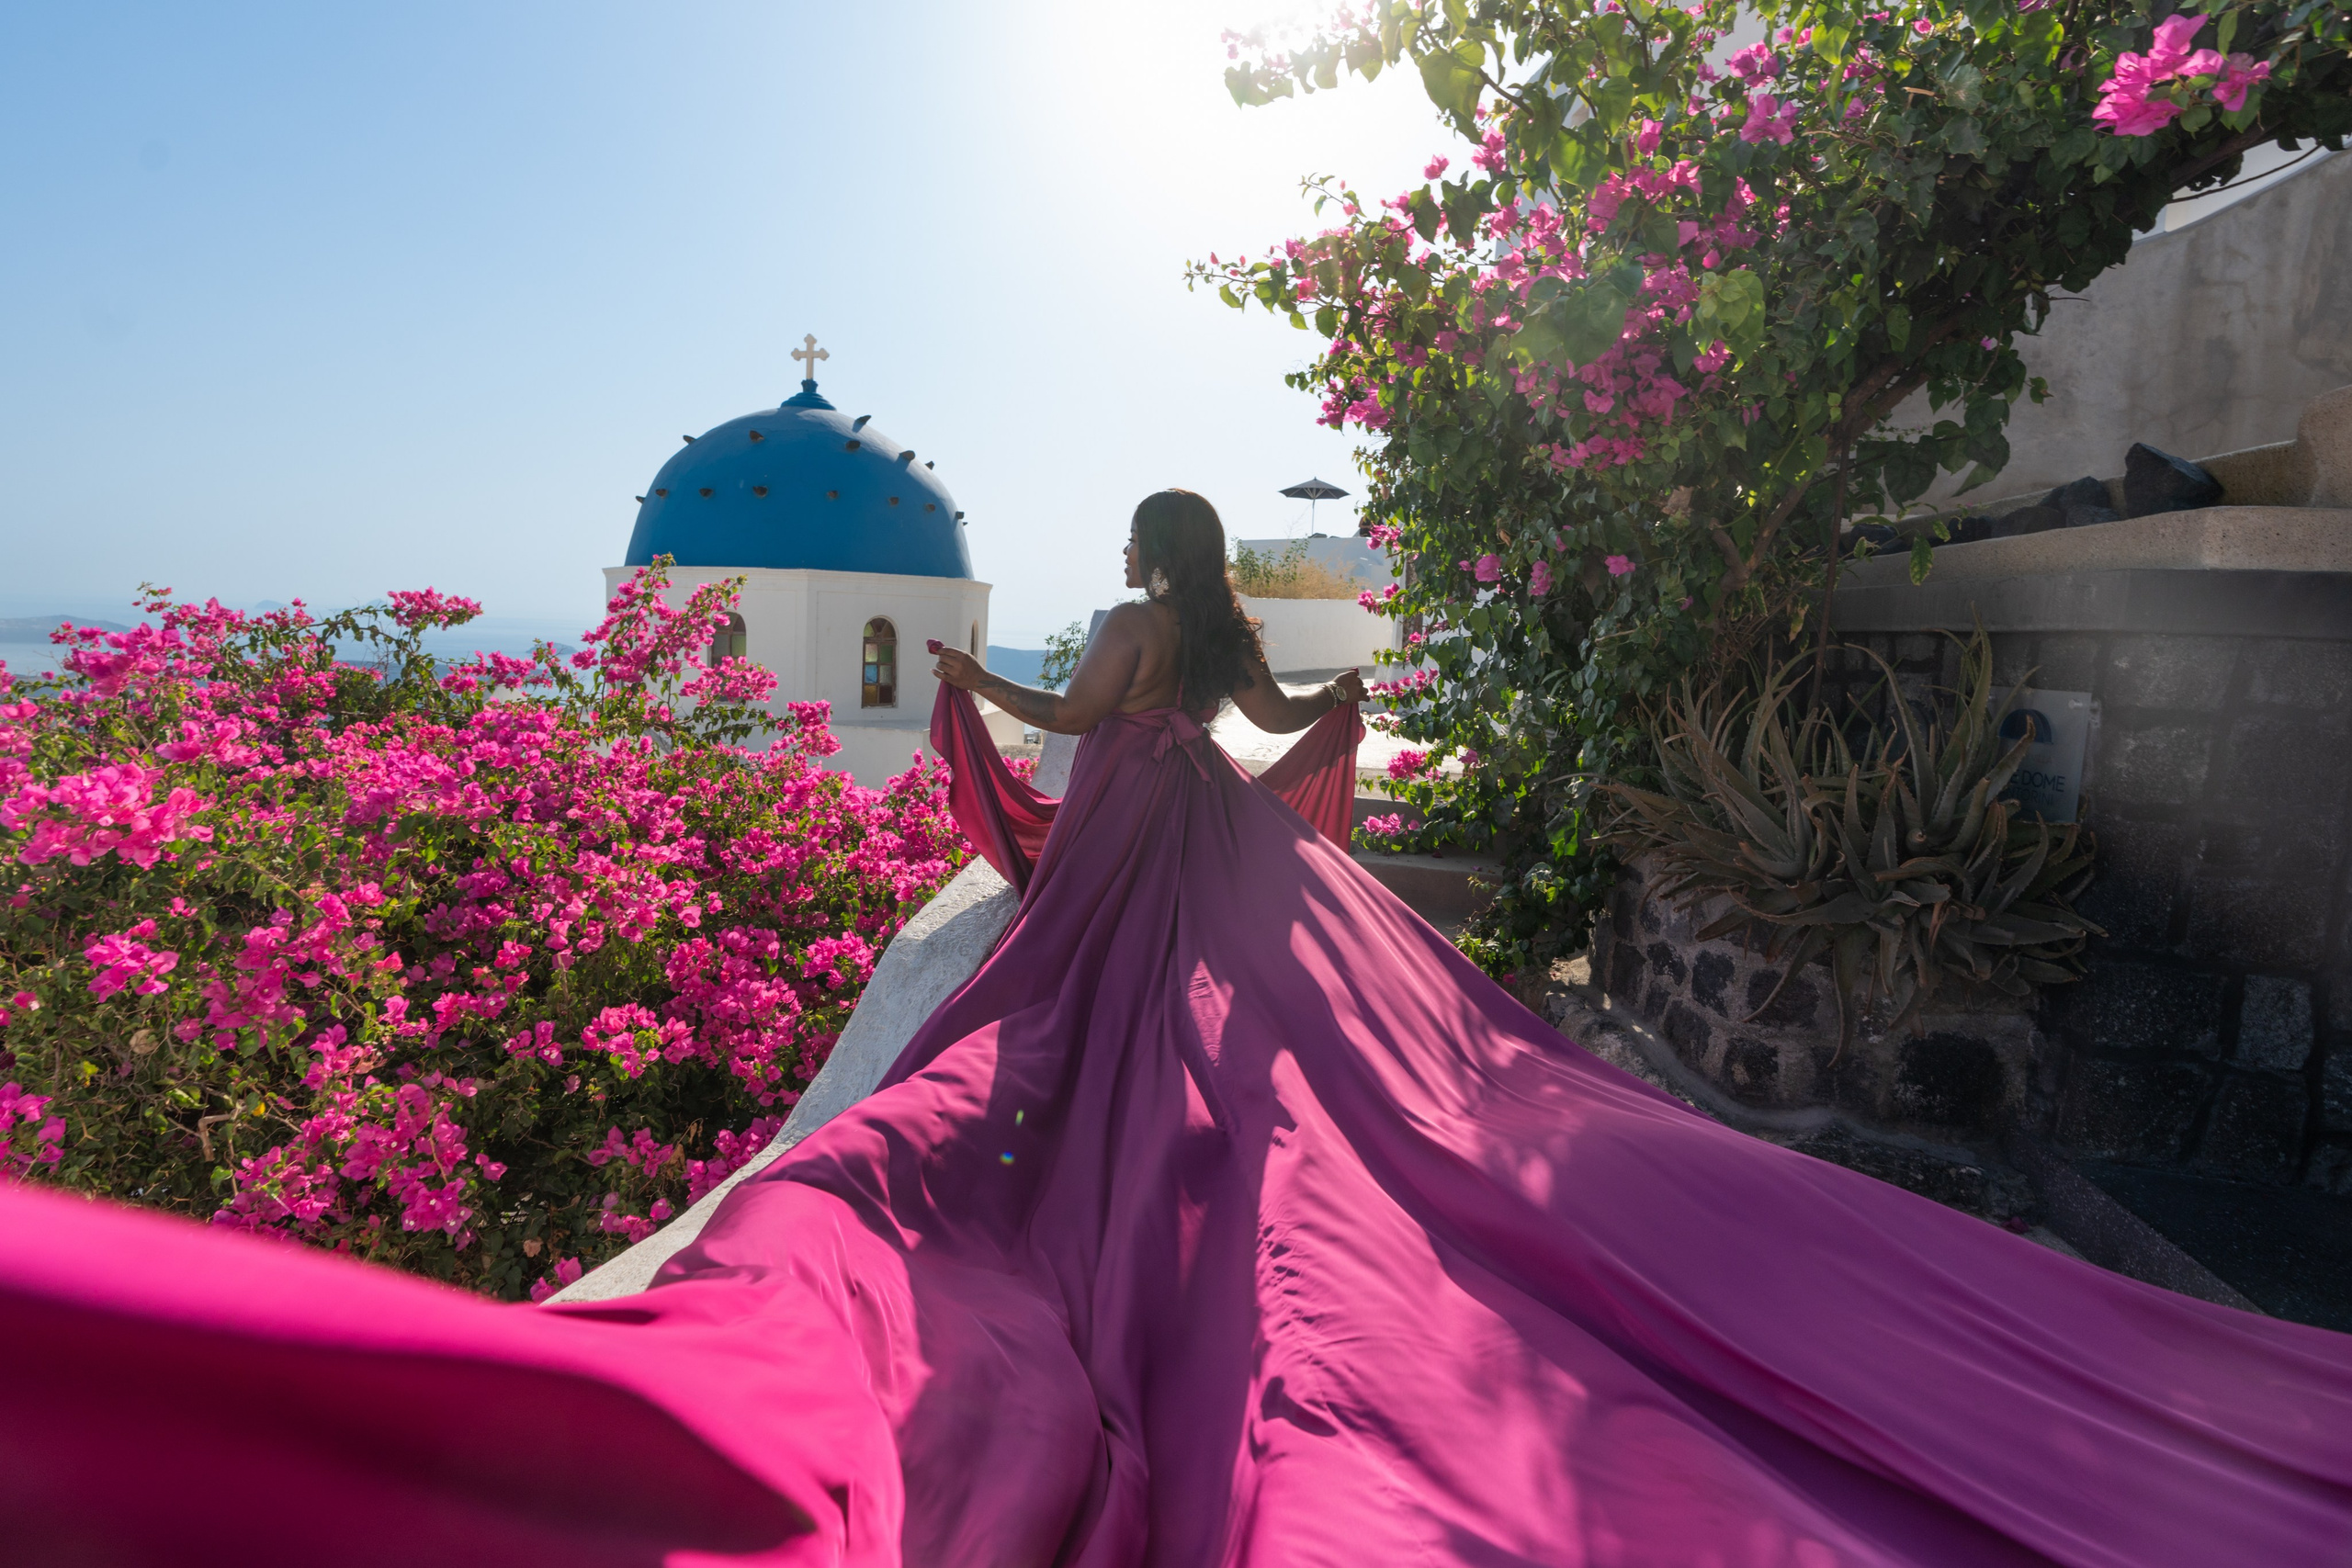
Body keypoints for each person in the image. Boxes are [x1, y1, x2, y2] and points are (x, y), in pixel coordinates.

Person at [5, 489, 2351, 1568]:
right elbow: (1292, 713)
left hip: (1123, 861)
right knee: (1269, 1079)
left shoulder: (1126, 640)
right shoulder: (1226, 633)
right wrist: (1321, 692)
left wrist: (965, 683)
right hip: (1222, 862)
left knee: (1060, 1070)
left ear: (1138, 545)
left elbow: (1059, 703)